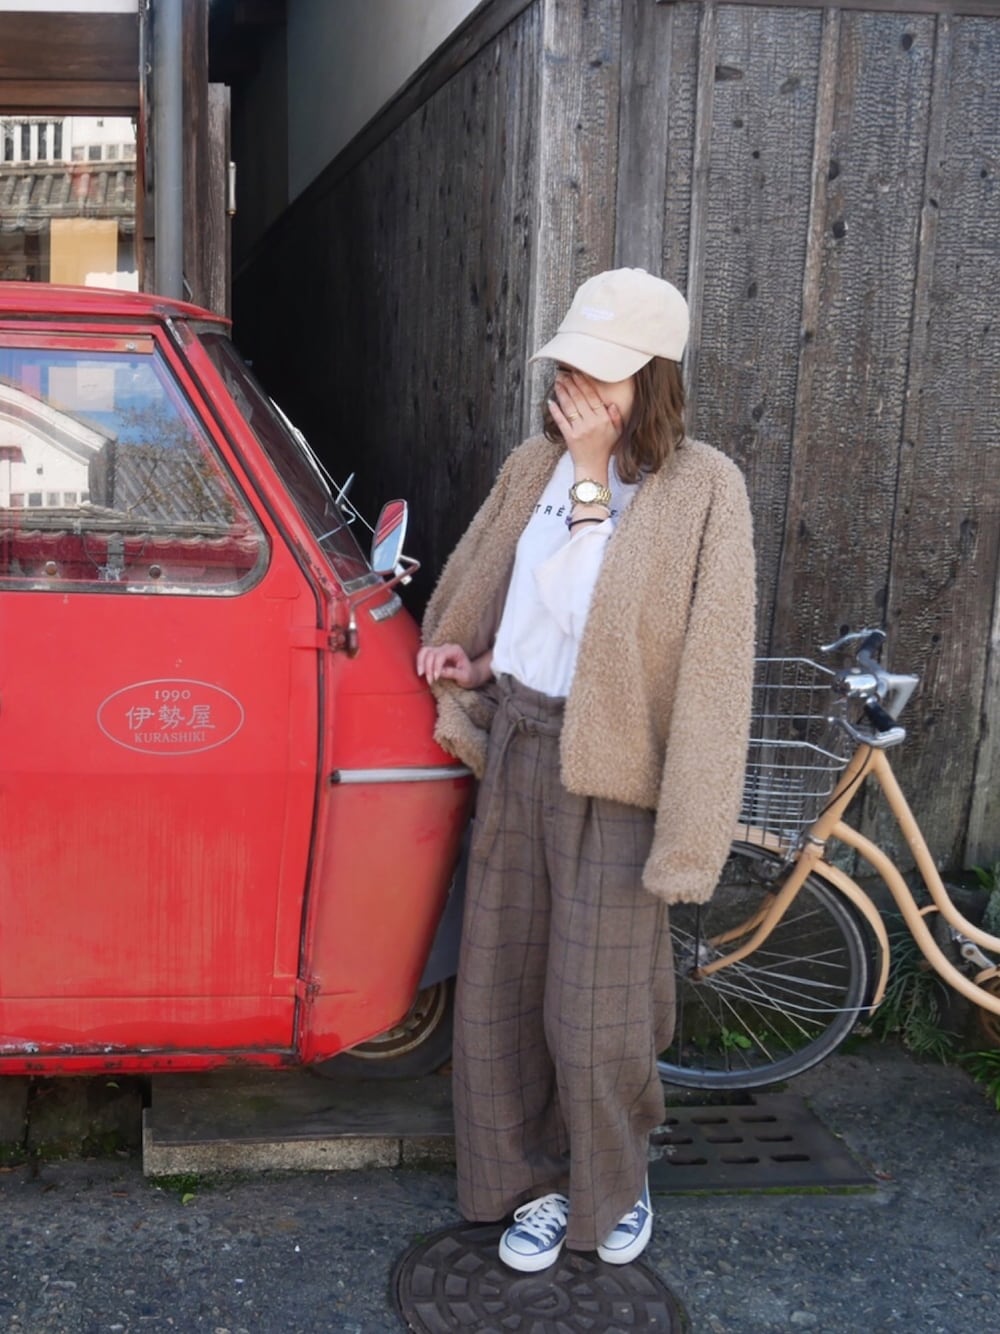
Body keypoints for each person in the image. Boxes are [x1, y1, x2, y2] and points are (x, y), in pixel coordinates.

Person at [416, 267, 755, 1272]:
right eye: (571, 366)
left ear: (653, 379)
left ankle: (611, 1184)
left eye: (603, 372)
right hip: (521, 750)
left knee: (596, 1011)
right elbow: (532, 603)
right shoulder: (536, 465)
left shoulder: (702, 488)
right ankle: (528, 1185)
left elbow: (680, 655)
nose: (577, 387)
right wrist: (478, 662)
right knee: (502, 993)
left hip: (615, 777)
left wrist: (595, 475)